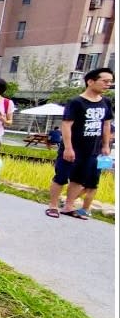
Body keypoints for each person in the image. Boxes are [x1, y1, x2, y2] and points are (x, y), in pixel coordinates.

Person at [45, 67, 114, 219]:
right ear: (90, 81)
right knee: (61, 176)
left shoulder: (106, 102)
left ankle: (69, 206)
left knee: (79, 178)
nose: (108, 84)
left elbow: (106, 125)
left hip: (93, 149)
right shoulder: (76, 102)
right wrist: (68, 148)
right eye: (105, 81)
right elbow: (66, 125)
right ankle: (53, 206)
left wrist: (105, 145)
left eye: (110, 81)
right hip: (73, 147)